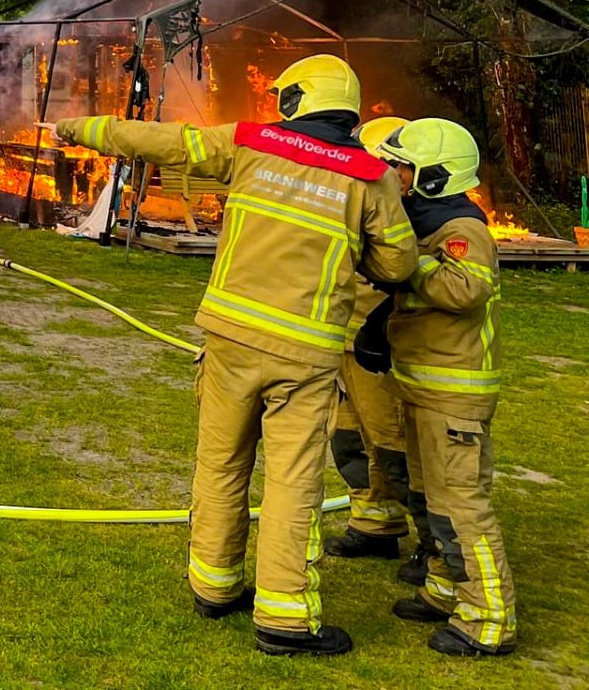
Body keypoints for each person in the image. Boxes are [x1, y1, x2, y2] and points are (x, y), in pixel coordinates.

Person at [56, 53, 418, 657]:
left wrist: (78, 128)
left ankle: (215, 586)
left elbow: (160, 141)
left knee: (221, 464)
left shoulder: (249, 143)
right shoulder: (370, 176)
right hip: (305, 354)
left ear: (297, 99)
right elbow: (399, 264)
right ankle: (283, 619)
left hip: (228, 340)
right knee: (292, 483)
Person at [363, 118, 515, 657]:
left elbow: (465, 289)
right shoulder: (426, 219)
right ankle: (445, 586)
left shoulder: (463, 228)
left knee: (463, 507)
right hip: (422, 385)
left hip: (454, 393)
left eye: (403, 169)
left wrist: (409, 266)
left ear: (433, 178)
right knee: (431, 501)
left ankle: (488, 618)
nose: (395, 177)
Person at [324, 116, 424, 574]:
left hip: (372, 341)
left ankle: (436, 547)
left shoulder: (405, 217)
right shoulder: (356, 199)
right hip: (339, 338)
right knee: (347, 437)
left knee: (390, 442)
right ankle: (374, 523)